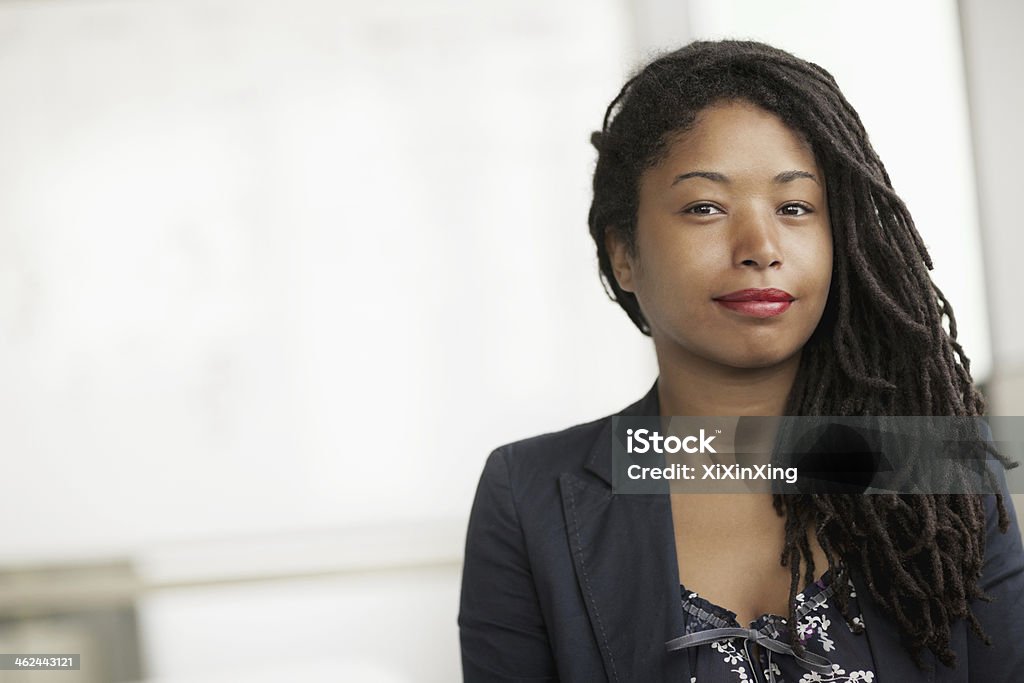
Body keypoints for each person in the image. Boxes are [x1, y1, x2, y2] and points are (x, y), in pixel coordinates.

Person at [458, 40, 1024, 682]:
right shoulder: (527, 493)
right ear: (623, 252)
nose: (760, 246)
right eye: (706, 208)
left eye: (794, 208)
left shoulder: (941, 469)